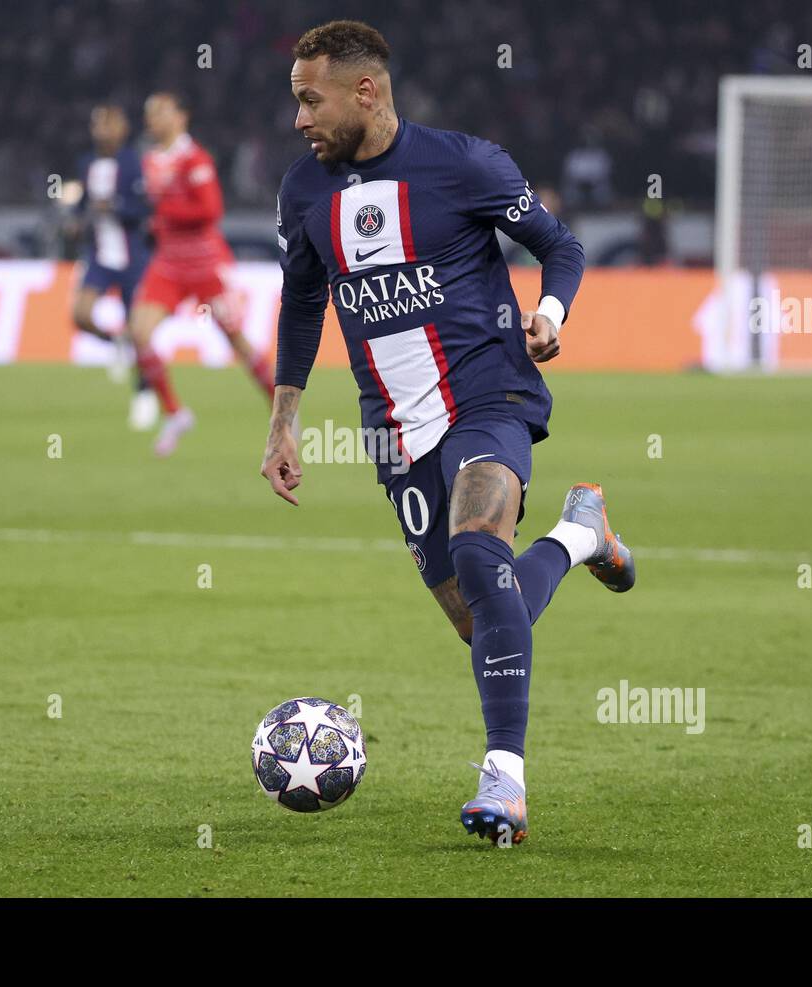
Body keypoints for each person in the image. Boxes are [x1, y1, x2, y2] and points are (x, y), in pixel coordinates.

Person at [260, 20, 635, 846]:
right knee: (481, 614)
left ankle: (505, 781)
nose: (299, 120)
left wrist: (550, 309)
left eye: (309, 100)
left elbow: (558, 243)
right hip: (392, 428)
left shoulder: (464, 163)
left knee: (476, 545)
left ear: (366, 91)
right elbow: (299, 304)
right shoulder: (303, 192)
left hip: (487, 394)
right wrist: (283, 422)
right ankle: (578, 536)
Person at [127, 92, 275, 457]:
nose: (153, 120)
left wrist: (164, 213)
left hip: (205, 264)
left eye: (161, 112)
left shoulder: (195, 159)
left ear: (181, 117)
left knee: (236, 340)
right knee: (138, 333)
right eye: (149, 114)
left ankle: (281, 409)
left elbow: (210, 210)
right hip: (168, 264)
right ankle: (175, 413)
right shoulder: (149, 161)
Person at [68, 103, 157, 430]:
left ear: (121, 129)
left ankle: (144, 393)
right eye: (97, 124)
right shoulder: (86, 163)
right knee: (80, 314)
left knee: (139, 331)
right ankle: (114, 342)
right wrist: (76, 222)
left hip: (132, 257)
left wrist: (115, 206)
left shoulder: (133, 162)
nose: (102, 130)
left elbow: (144, 208)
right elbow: (80, 205)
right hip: (100, 255)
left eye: (108, 124)